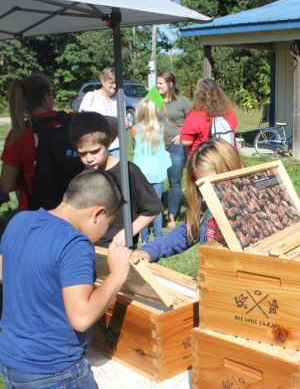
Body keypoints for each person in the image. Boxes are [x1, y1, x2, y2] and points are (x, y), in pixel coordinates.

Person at [0, 169, 132, 389]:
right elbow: (81, 317)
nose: (105, 231)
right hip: (54, 372)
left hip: (11, 363)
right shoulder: (75, 243)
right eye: (109, 223)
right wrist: (117, 274)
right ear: (98, 213)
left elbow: (4, 273)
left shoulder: (20, 220)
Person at [135, 139, 245, 262]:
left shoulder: (253, 206)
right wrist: (152, 250)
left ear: (231, 171)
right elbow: (186, 233)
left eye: (213, 184)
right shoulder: (207, 206)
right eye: (201, 186)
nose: (208, 191)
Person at [68, 112, 164, 248]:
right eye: (82, 153)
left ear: (108, 143)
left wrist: (127, 233)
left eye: (95, 151)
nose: (89, 158)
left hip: (118, 248)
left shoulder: (129, 171)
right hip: (87, 247)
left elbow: (153, 208)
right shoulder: (80, 172)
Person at [0, 73, 83, 212]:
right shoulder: (72, 120)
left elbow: (7, 185)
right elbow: (114, 124)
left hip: (35, 211)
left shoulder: (19, 134)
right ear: (46, 98)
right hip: (74, 207)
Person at [131, 98, 172, 244]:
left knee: (143, 207)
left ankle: (144, 238)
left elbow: (134, 146)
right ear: (155, 112)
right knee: (157, 205)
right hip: (158, 171)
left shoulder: (135, 129)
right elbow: (164, 147)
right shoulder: (162, 129)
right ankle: (159, 237)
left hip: (141, 173)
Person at [156, 71, 192, 228]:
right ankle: (156, 214)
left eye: (160, 83)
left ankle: (171, 216)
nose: (157, 86)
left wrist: (182, 136)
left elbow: (192, 123)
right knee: (156, 181)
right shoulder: (154, 99)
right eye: (156, 83)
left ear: (170, 84)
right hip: (156, 146)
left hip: (176, 146)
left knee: (175, 182)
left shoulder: (183, 101)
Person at [180, 78, 238, 154]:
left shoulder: (195, 114)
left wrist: (180, 138)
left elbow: (186, 141)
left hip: (204, 159)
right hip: (228, 156)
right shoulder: (229, 110)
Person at [79, 68, 124, 158]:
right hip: (95, 148)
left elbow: (124, 120)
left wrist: (125, 124)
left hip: (116, 148)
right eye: (111, 82)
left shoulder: (120, 98)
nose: (114, 86)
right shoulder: (91, 96)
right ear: (102, 80)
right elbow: (80, 120)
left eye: (116, 82)